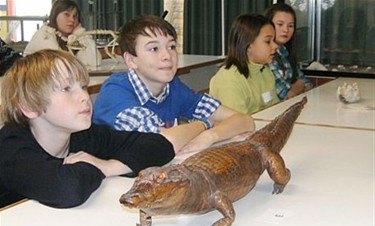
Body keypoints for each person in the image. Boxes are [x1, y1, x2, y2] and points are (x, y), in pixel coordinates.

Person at [0, 49, 175, 209]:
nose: (84, 96)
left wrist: (108, 166)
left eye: (83, 86)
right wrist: (94, 166)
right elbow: (69, 189)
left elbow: (159, 145)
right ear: (29, 107)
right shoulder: (10, 148)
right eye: (67, 89)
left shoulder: (82, 134)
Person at [93, 15, 255, 154]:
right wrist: (205, 124)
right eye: (154, 49)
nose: (167, 56)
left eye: (171, 46)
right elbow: (164, 142)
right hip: (110, 183)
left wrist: (210, 136)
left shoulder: (173, 87)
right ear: (131, 60)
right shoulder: (115, 92)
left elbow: (244, 121)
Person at [209, 14, 279, 114]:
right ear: (249, 46)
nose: (275, 46)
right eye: (268, 41)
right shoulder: (229, 79)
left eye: (274, 40)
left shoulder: (266, 72)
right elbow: (236, 125)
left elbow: (275, 110)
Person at [23, 0, 101, 67]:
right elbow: (63, 65)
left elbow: (95, 62)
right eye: (67, 14)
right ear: (55, 15)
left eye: (75, 16)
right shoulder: (45, 34)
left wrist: (81, 34)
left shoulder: (70, 37)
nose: (72, 19)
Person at [264, 3, 312, 100]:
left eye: (290, 26)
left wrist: (298, 85)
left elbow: (307, 83)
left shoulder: (284, 52)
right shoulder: (264, 55)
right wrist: (298, 85)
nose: (285, 30)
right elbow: (285, 94)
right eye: (280, 24)